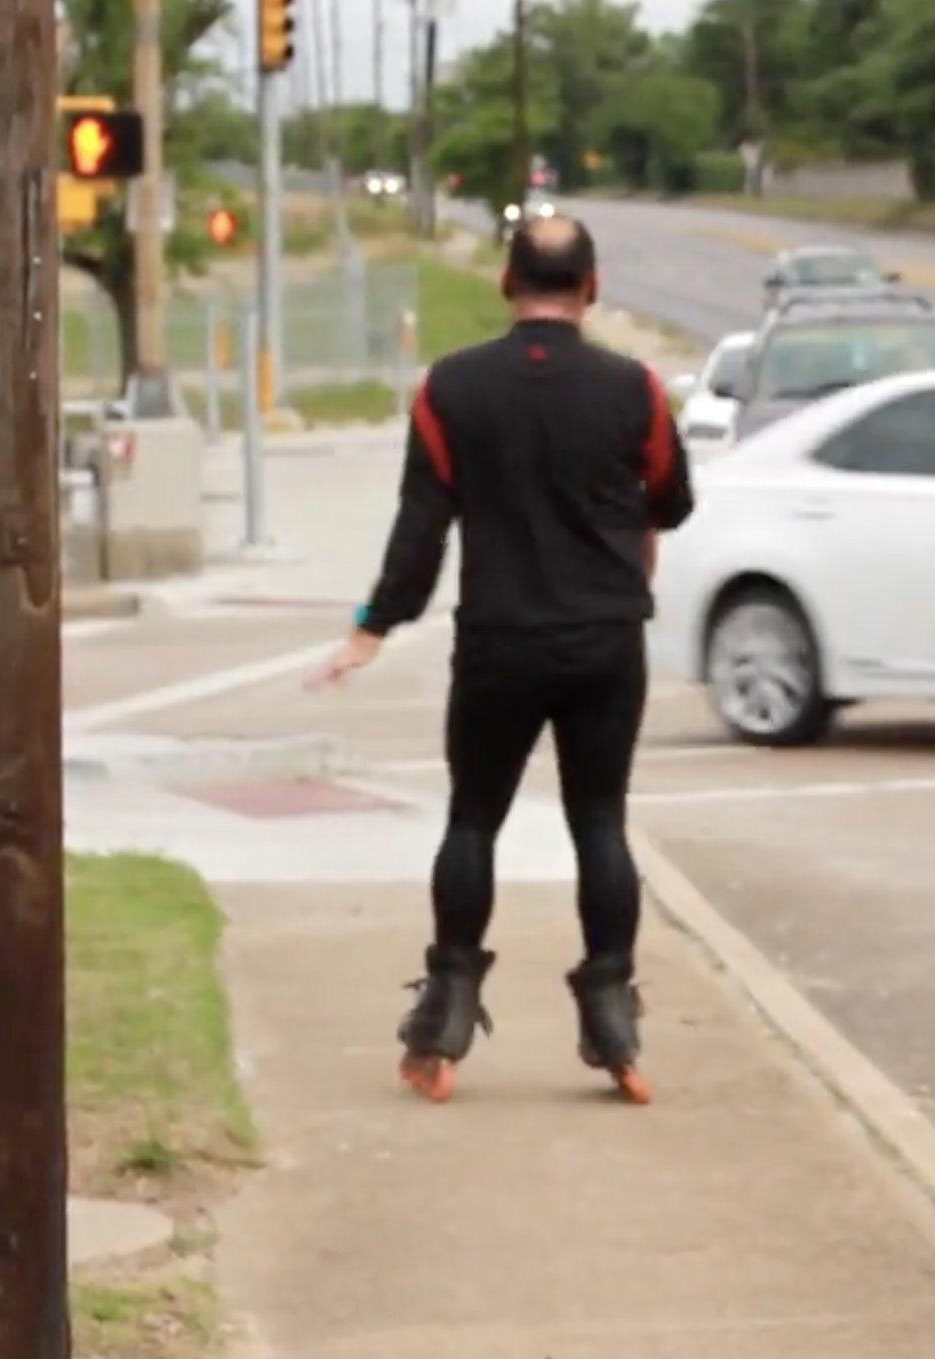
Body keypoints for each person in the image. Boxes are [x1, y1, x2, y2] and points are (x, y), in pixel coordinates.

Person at [307, 214, 695, 1106]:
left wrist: (374, 625)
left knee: (473, 819)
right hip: (604, 640)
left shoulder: (449, 390)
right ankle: (614, 1025)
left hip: (499, 640)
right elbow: (672, 499)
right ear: (591, 284)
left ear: (504, 281)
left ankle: (442, 1023)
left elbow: (421, 528)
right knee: (600, 821)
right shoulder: (634, 389)